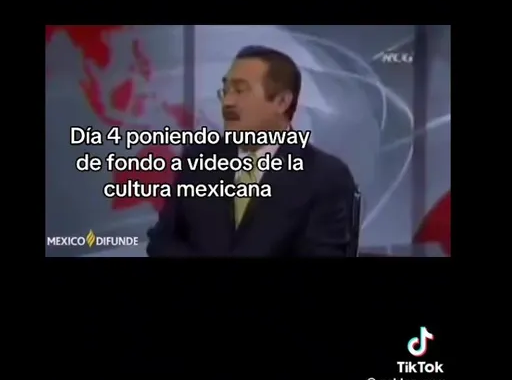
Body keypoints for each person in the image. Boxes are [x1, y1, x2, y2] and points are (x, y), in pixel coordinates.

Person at [146, 46, 358, 257]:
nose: (227, 102)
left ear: (282, 102)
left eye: (240, 91)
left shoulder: (325, 176)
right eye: (226, 90)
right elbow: (162, 241)